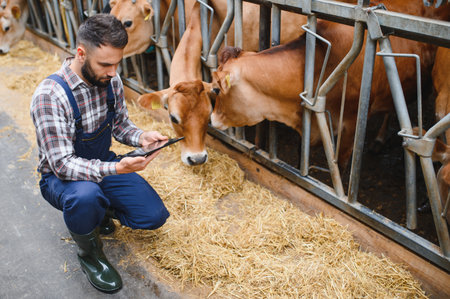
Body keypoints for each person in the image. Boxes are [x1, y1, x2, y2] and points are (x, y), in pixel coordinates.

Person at [30, 13, 170, 293]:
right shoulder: (50, 95)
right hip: (60, 178)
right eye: (106, 64)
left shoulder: (111, 79)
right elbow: (62, 165)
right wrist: (117, 169)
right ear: (81, 53)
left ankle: (98, 212)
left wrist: (142, 136)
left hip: (101, 164)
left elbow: (119, 125)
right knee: (85, 196)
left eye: (118, 63)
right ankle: (90, 254)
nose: (113, 72)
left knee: (153, 216)